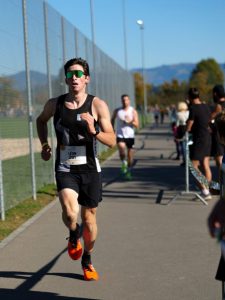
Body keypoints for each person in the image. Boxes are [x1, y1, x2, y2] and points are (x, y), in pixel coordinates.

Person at [36, 57, 116, 281]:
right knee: (71, 214)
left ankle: (87, 259)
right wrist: (44, 145)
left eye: (78, 74)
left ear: (87, 79)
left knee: (89, 220)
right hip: (65, 167)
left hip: (90, 169)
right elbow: (40, 121)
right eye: (70, 75)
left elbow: (112, 140)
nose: (74, 78)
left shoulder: (97, 105)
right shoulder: (55, 104)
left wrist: (94, 131)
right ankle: (73, 234)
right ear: (66, 79)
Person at [186, 87, 212, 200]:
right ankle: (207, 190)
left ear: (190, 97)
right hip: (207, 137)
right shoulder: (206, 106)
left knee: (193, 166)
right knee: (205, 165)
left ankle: (205, 191)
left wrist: (186, 130)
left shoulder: (193, 108)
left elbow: (189, 125)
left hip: (199, 139)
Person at [111, 94, 139, 180]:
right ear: (121, 101)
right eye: (123, 100)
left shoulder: (133, 111)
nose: (125, 101)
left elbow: (137, 124)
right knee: (122, 149)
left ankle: (128, 171)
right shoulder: (117, 111)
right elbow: (112, 120)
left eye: (126, 100)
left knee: (130, 156)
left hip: (130, 135)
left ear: (129, 101)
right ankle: (123, 162)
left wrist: (129, 121)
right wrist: (112, 130)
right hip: (120, 134)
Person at [210, 84, 225, 181]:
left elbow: (209, 118)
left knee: (219, 159)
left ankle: (221, 183)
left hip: (220, 135)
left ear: (215, 94)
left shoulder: (218, 106)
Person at [175, 101, 189, 166]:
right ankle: (188, 159)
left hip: (181, 128)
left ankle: (184, 160)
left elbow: (177, 124)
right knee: (187, 144)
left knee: (182, 145)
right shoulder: (188, 113)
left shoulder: (178, 114)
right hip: (186, 127)